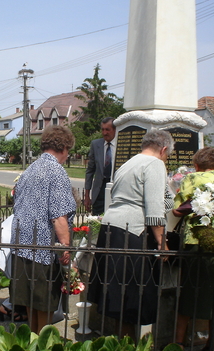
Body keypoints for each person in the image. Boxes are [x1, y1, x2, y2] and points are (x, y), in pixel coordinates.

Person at [88, 129, 173, 340]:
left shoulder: (129, 162)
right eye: (168, 154)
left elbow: (156, 200)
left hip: (111, 226)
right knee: (131, 297)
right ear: (163, 149)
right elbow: (154, 209)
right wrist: (162, 243)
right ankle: (129, 343)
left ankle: (120, 340)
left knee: (118, 296)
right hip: (131, 230)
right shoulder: (154, 164)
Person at [172, 147, 214, 350]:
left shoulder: (191, 180)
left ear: (196, 166)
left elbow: (177, 210)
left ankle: (178, 343)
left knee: (189, 295)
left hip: (198, 243)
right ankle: (211, 344)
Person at [10, 125, 77, 333]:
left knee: (30, 300)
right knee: (45, 301)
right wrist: (65, 247)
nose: (67, 156)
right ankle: (43, 341)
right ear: (64, 147)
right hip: (42, 248)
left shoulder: (31, 168)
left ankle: (32, 338)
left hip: (22, 244)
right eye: (68, 151)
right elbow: (58, 216)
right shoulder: (56, 171)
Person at [84, 117, 116, 215]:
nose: (104, 133)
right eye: (102, 129)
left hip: (115, 188)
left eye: (108, 130)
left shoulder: (121, 145)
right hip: (99, 190)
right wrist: (87, 196)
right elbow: (90, 171)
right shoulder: (95, 144)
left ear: (115, 130)